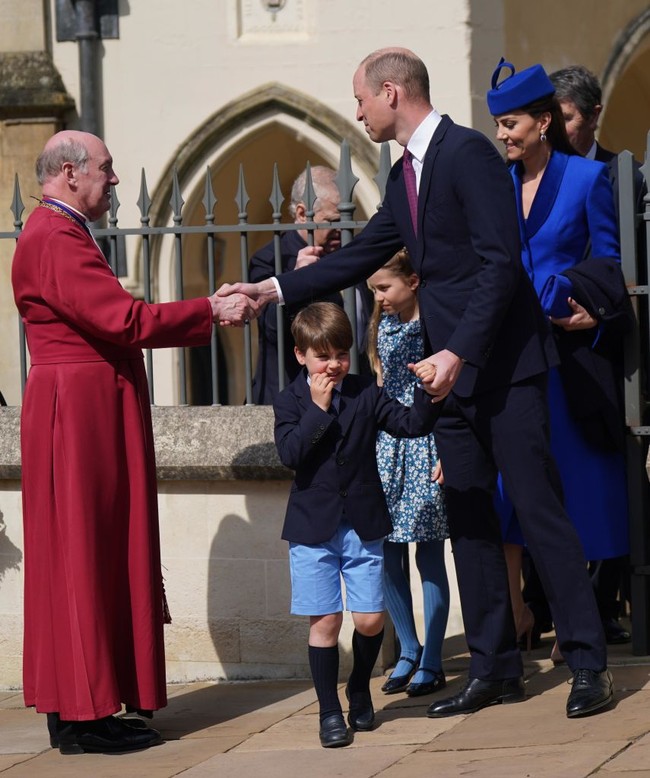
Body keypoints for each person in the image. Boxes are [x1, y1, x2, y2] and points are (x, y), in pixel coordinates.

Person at [218, 46, 614, 719]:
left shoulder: (469, 154)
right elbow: (366, 253)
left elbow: (500, 267)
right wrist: (270, 288)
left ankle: (589, 665)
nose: (358, 112)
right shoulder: (406, 174)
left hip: (505, 369)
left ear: (392, 92)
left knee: (541, 515)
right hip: (449, 376)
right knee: (468, 520)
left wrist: (458, 350)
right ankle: (495, 669)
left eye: (360, 99)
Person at [11, 130, 257, 755]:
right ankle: (84, 713)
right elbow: (122, 320)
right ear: (70, 172)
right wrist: (210, 309)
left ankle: (88, 705)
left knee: (95, 550)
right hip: (80, 412)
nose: (114, 180)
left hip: (89, 404)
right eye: (106, 169)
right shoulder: (55, 237)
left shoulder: (58, 232)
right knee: (83, 553)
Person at [488, 60, 632, 663]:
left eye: (512, 123)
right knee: (510, 501)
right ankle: (522, 618)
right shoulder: (494, 184)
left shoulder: (586, 179)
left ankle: (585, 631)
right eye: (497, 124)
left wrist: (592, 310)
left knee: (572, 500)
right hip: (506, 362)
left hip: (567, 361)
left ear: (543, 122)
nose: (502, 135)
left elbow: (610, 262)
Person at [273, 302, 439, 748]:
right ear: (300, 355)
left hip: (363, 524)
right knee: (325, 622)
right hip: (312, 529)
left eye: (342, 354)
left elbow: (410, 424)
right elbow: (290, 454)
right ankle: (329, 713)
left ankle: (359, 685)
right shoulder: (290, 399)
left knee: (368, 620)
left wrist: (427, 389)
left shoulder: (366, 391)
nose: (334, 364)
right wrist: (319, 408)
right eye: (323, 355)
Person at [366, 250, 449, 697]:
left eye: (384, 288)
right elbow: (381, 386)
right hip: (388, 447)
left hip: (428, 443)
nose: (378, 298)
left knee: (428, 554)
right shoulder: (385, 324)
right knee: (387, 554)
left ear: (413, 281)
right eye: (374, 291)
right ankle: (408, 650)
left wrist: (448, 451)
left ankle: (433, 659)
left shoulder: (436, 324)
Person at [249, 166, 373, 404]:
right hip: (295, 398)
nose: (342, 228)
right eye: (332, 221)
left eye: (347, 218)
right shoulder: (271, 259)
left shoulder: (352, 251)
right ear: (302, 213)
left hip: (353, 395)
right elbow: (271, 329)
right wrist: (296, 280)